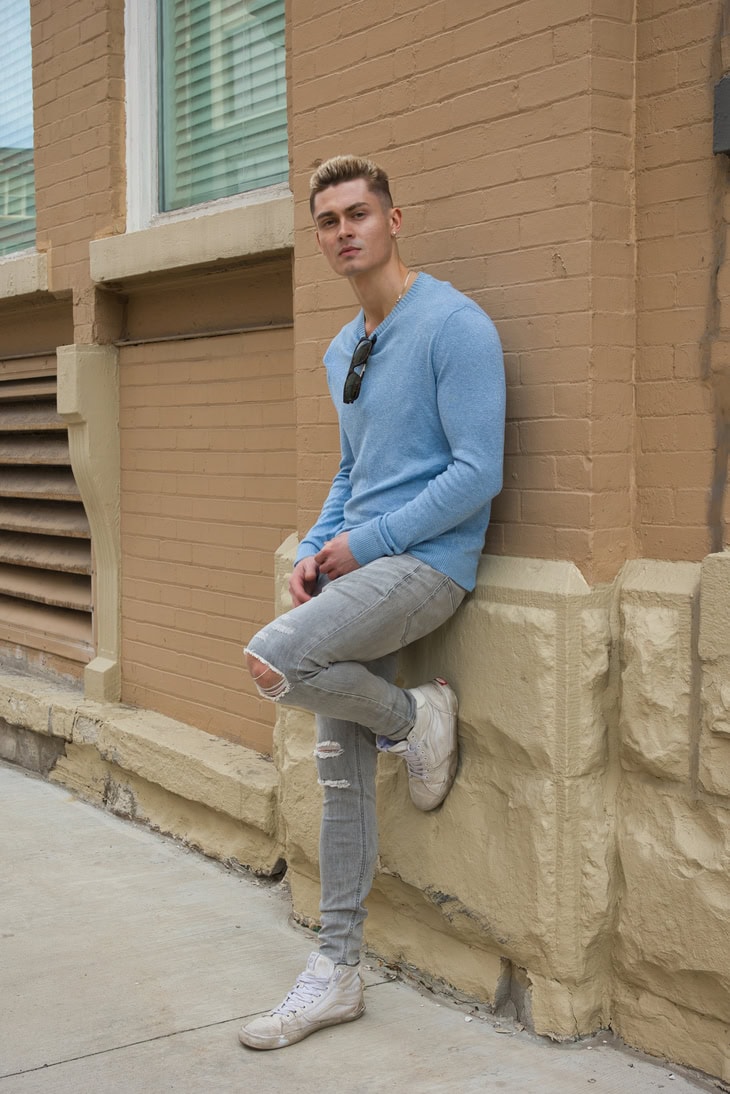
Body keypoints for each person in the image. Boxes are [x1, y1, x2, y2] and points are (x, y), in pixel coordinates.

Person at [238, 155, 505, 1051]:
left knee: (276, 657)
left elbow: (477, 472)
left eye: (358, 213)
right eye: (328, 220)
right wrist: (316, 551)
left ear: (394, 220)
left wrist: (365, 544)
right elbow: (352, 473)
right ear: (318, 239)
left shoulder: (454, 326)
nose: (344, 230)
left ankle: (417, 720)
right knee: (338, 777)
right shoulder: (341, 349)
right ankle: (339, 971)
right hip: (360, 571)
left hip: (427, 567)